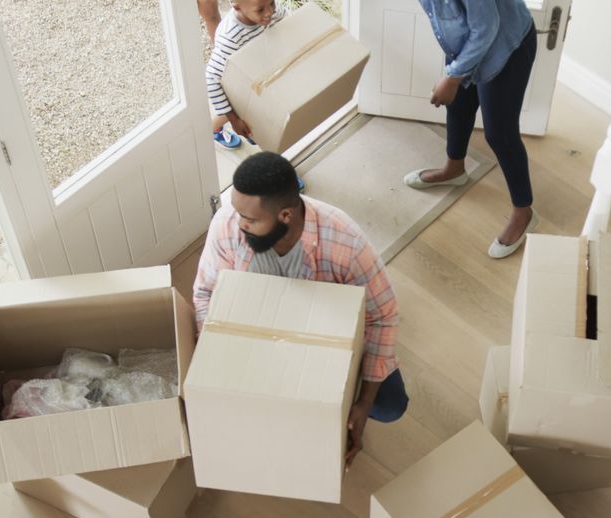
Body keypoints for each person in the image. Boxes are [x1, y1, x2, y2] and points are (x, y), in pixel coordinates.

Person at [193, 152, 408, 467]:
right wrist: (213, 355)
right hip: (260, 334)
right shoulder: (227, 226)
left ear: (285, 216)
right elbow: (205, 292)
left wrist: (362, 403)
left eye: (250, 219)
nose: (239, 225)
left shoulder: (346, 244)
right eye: (237, 212)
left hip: (327, 333)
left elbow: (383, 315)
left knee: (389, 406)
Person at [404, 0, 539, 259]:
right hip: (469, 40)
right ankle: (454, 170)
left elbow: (487, 28)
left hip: (505, 46)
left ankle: (524, 212)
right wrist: (456, 74)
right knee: (458, 107)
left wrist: (453, 77)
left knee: (500, 134)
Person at [204, 0, 290, 150]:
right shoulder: (230, 38)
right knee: (253, 122)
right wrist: (234, 120)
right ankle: (207, 131)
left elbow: (289, 22)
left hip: (257, 72)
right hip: (239, 84)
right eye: (260, 10)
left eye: (272, 3)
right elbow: (212, 79)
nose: (269, 12)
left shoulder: (269, 9)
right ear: (237, 6)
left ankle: (213, 128)